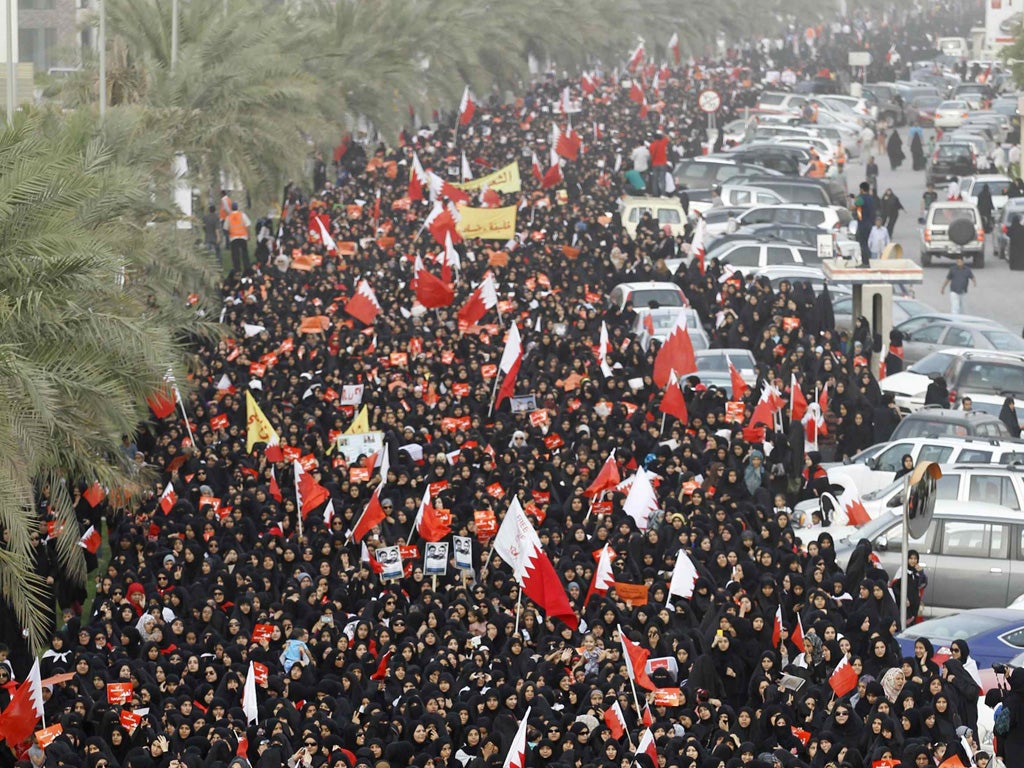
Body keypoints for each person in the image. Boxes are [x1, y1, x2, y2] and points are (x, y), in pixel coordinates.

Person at [224, 201, 251, 274]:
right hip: (243, 237)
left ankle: (237, 269)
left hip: (233, 238)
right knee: (245, 253)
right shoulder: (242, 215)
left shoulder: (228, 217)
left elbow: (226, 228)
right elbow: (247, 225)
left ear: (231, 208)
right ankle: (247, 268)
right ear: (237, 207)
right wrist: (249, 235)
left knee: (235, 255)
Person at [854, 181, 877, 267]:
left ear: (861, 189)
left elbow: (856, 206)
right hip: (870, 223)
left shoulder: (861, 198)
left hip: (863, 224)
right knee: (868, 243)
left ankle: (866, 262)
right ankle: (869, 260)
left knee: (863, 243)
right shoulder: (871, 198)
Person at [648, 132, 669, 197]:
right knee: (662, 179)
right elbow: (668, 138)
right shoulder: (663, 142)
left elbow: (651, 155)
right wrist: (663, 134)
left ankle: (655, 193)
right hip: (662, 163)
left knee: (655, 180)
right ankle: (663, 194)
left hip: (655, 164)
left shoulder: (651, 145)